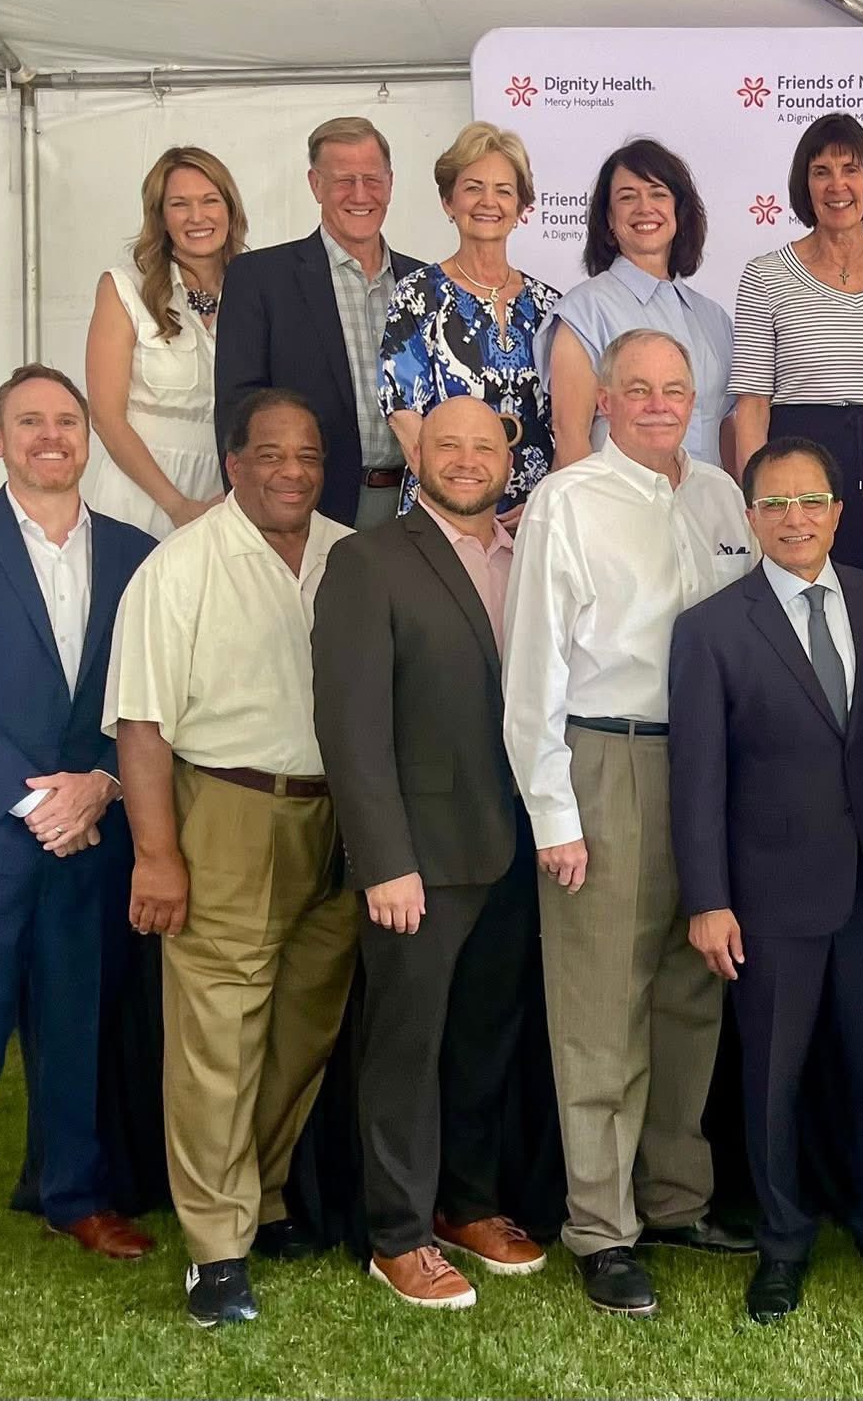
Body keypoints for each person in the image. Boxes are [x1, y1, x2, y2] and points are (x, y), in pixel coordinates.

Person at [502, 328, 758, 1320]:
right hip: (610, 760)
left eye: (675, 389)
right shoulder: (568, 501)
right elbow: (533, 671)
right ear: (603, 401)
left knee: (692, 996)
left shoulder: (722, 497)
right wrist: (554, 814)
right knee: (600, 1006)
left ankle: (676, 1201)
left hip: (712, 768)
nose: (658, 404)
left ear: (696, 399)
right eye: (638, 388)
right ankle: (602, 1228)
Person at [104, 390, 361, 1328]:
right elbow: (141, 725)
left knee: (303, 1029)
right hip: (227, 811)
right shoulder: (180, 567)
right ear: (234, 464)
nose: (292, 471)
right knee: (218, 1037)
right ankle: (216, 1250)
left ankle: (266, 1192)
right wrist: (156, 855)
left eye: (308, 456)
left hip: (341, 821)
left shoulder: (348, 555)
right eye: (271, 454)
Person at [668, 436, 863, 1322]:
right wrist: (708, 900)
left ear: (838, 512)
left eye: (810, 501)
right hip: (768, 896)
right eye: (774, 504)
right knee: (772, 1081)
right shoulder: (709, 628)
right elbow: (696, 779)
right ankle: (781, 1243)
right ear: (750, 518)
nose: (795, 518)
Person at [0, 367, 158, 1313]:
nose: (51, 435)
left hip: (92, 836)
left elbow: (146, 695)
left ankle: (71, 1197)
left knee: (75, 1031)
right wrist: (36, 806)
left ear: (88, 440)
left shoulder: (138, 555)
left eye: (67, 420)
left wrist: (100, 785)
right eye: (30, 421)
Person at [311, 396, 547, 1311]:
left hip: (518, 845)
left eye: (484, 446)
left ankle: (467, 1204)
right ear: (417, 456)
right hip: (420, 857)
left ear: (509, 460)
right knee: (404, 1048)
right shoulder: (368, 560)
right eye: (448, 444)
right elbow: (351, 725)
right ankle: (398, 1234)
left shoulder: (533, 556)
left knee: (487, 1037)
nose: (466, 459)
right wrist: (383, 860)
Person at [730, 114, 863, 583]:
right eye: (821, 171)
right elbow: (752, 406)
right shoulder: (765, 275)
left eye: (850, 169)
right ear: (804, 186)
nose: (836, 185)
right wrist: (760, 503)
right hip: (796, 481)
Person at [215, 116, 424, 528]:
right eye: (344, 180)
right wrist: (249, 514)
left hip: (415, 506)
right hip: (308, 508)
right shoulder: (260, 279)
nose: (360, 194)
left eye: (372, 179)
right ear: (315, 185)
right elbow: (237, 412)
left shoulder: (426, 284)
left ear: (391, 183)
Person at [379, 122, 560, 523]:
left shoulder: (550, 305)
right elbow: (406, 418)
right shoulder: (417, 295)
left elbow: (567, 422)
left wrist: (545, 503)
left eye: (504, 191)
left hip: (535, 512)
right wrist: (466, 506)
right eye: (473, 187)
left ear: (521, 208)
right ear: (449, 201)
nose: (488, 202)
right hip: (446, 506)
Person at [541, 138, 735, 472]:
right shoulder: (583, 311)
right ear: (609, 219)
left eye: (658, 194)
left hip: (707, 501)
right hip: (617, 501)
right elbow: (570, 437)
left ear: (678, 211)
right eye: (627, 197)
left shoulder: (715, 318)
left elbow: (728, 430)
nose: (644, 207)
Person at [83, 146, 246, 537]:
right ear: (160, 216)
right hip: (142, 491)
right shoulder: (124, 287)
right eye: (179, 204)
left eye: (210, 201)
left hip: (228, 494)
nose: (197, 217)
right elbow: (106, 417)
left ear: (230, 209)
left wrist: (237, 495)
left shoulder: (256, 288)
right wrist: (177, 506)